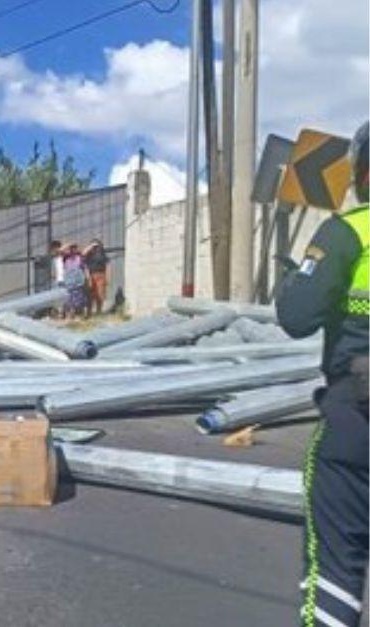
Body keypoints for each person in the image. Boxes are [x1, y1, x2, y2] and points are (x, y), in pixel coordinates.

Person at [276, 120, 369, 627]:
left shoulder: (348, 231)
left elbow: (296, 317)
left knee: (334, 571)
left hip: (357, 419)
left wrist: (289, 280)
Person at [83, 238, 111, 316]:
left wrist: (108, 277)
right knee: (90, 295)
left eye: (97, 245)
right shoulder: (88, 254)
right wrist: (91, 246)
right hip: (91, 275)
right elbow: (83, 254)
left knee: (100, 294)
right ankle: (89, 312)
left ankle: (99, 311)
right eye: (95, 245)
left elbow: (108, 265)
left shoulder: (102, 254)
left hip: (101, 275)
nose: (96, 247)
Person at [62, 243, 89, 319]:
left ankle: (80, 316)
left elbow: (85, 268)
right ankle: (70, 316)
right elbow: (61, 250)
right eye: (71, 249)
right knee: (69, 300)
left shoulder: (80, 258)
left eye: (74, 249)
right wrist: (69, 244)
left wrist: (87, 278)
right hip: (69, 283)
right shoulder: (65, 259)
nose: (73, 251)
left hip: (78, 282)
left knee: (80, 300)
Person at [49, 240, 65, 318]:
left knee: (64, 296)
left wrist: (60, 250)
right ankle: (58, 312)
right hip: (57, 280)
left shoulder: (64, 256)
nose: (54, 251)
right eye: (53, 249)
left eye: (55, 249)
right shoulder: (54, 259)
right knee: (56, 297)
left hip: (64, 279)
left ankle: (62, 313)